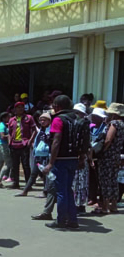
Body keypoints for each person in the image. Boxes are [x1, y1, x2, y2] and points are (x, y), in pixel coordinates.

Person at [42, 95, 85, 229]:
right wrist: (82, 157)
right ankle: (73, 220)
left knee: (61, 191)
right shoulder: (77, 119)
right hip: (74, 158)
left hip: (61, 159)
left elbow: (56, 141)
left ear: (57, 106)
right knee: (68, 189)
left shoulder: (58, 120)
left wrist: (50, 162)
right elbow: (84, 140)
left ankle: (60, 220)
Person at [95, 103, 124, 214]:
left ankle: (105, 206)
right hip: (116, 155)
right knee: (113, 180)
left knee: (105, 180)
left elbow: (108, 139)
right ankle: (114, 205)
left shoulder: (114, 124)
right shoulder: (122, 124)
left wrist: (101, 150)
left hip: (108, 156)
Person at [16, 112, 51, 197]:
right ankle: (25, 190)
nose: (42, 122)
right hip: (38, 155)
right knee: (34, 174)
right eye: (41, 120)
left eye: (44, 120)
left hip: (45, 155)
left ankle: (45, 191)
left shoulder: (49, 131)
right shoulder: (40, 131)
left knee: (45, 175)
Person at [8, 101, 36, 189]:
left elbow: (34, 130)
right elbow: (9, 132)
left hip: (24, 144)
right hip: (14, 144)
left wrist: (30, 141)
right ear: (15, 109)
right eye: (18, 107)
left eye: (21, 107)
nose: (20, 109)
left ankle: (28, 184)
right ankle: (16, 183)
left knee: (25, 165)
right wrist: (9, 142)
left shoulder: (29, 118)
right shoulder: (12, 120)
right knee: (14, 165)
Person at [71, 103, 91, 213]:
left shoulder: (82, 124)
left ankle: (79, 204)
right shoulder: (80, 124)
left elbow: (85, 142)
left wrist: (82, 155)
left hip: (80, 156)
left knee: (80, 180)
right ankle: (79, 204)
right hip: (81, 155)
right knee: (79, 181)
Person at [0, 112, 12, 187]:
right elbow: (2, 136)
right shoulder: (2, 126)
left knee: (0, 162)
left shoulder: (0, 125)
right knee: (8, 163)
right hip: (2, 145)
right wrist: (10, 135)